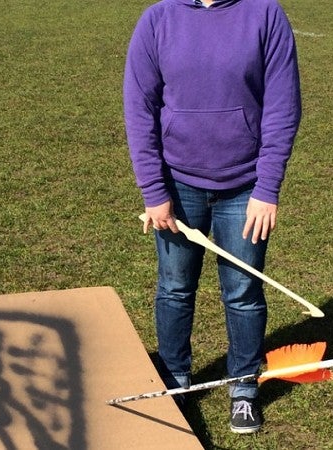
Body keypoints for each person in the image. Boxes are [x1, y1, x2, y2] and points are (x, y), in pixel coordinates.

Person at [123, 0, 301, 434]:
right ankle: (176, 378)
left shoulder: (265, 14)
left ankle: (243, 387)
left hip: (245, 187)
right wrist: (154, 190)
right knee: (175, 287)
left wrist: (266, 187)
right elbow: (139, 107)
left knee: (242, 290)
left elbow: (282, 106)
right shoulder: (158, 18)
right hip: (177, 186)